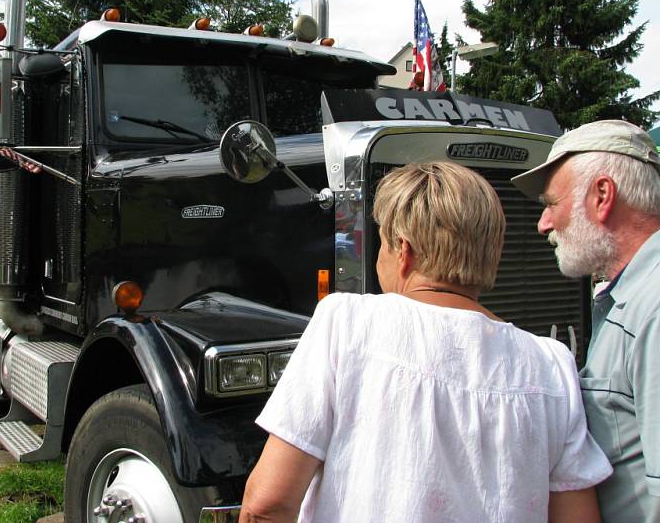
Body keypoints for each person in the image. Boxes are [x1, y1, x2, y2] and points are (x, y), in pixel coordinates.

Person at [241, 161, 611, 523]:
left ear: (404, 251)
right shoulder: (552, 364)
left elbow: (268, 504)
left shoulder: (347, 322)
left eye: (383, 243)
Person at [511, 119, 660, 522]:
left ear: (602, 195)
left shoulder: (654, 303)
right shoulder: (630, 296)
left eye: (551, 204)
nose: (543, 224)